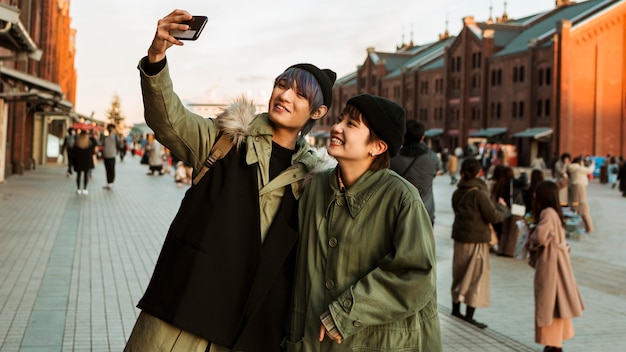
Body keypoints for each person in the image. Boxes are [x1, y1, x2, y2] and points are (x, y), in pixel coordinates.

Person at [124, 9, 336, 352]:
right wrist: (156, 60)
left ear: (317, 112)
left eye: (300, 94)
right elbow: (169, 120)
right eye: (282, 85)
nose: (285, 96)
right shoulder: (224, 140)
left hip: (248, 333)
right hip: (180, 321)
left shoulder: (313, 181)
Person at [285, 94, 441, 351]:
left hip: (376, 342)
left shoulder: (401, 198)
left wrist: (345, 312)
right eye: (340, 120)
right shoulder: (315, 189)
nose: (336, 127)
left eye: (351, 124)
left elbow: (416, 275)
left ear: (378, 146)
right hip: (312, 342)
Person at [450, 158, 508, 329]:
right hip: (477, 240)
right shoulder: (479, 193)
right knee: (476, 278)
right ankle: (469, 316)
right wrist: (502, 207)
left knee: (459, 274)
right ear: (478, 172)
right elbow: (493, 216)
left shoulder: (458, 191)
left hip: (460, 238)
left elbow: (457, 211)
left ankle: (455, 309)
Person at [527, 180, 584, 352]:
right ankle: (554, 343)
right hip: (558, 263)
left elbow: (541, 237)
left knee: (550, 304)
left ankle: (553, 345)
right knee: (557, 303)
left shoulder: (547, 213)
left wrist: (531, 233)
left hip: (551, 264)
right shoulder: (554, 212)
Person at [390, 120, 440, 225]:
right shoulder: (432, 158)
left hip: (399, 212)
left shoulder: (393, 159)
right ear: (422, 137)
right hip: (425, 212)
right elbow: (435, 172)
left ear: (404, 136)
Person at [490, 165, 526, 257]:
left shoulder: (501, 183)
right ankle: (509, 251)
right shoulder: (513, 182)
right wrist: (523, 173)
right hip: (516, 208)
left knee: (505, 230)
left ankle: (501, 249)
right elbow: (524, 182)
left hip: (506, 208)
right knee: (513, 231)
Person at [566, 156, 595, 233]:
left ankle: (578, 226)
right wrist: (593, 164)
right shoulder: (577, 168)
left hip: (574, 186)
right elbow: (589, 170)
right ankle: (585, 227)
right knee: (582, 205)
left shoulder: (572, 167)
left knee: (575, 205)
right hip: (579, 187)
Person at [71, 131, 96, 195]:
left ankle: (78, 189)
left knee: (78, 175)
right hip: (87, 162)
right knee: (86, 175)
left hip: (78, 162)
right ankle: (85, 189)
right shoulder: (89, 143)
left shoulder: (77, 143)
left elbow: (73, 154)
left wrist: (73, 163)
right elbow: (93, 150)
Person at [101, 123, 122, 190]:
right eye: (109, 128)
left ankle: (111, 182)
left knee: (111, 169)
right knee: (107, 170)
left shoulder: (116, 137)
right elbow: (101, 144)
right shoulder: (105, 137)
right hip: (105, 155)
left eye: (112, 128)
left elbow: (120, 145)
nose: (110, 129)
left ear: (113, 129)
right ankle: (108, 182)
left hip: (112, 155)